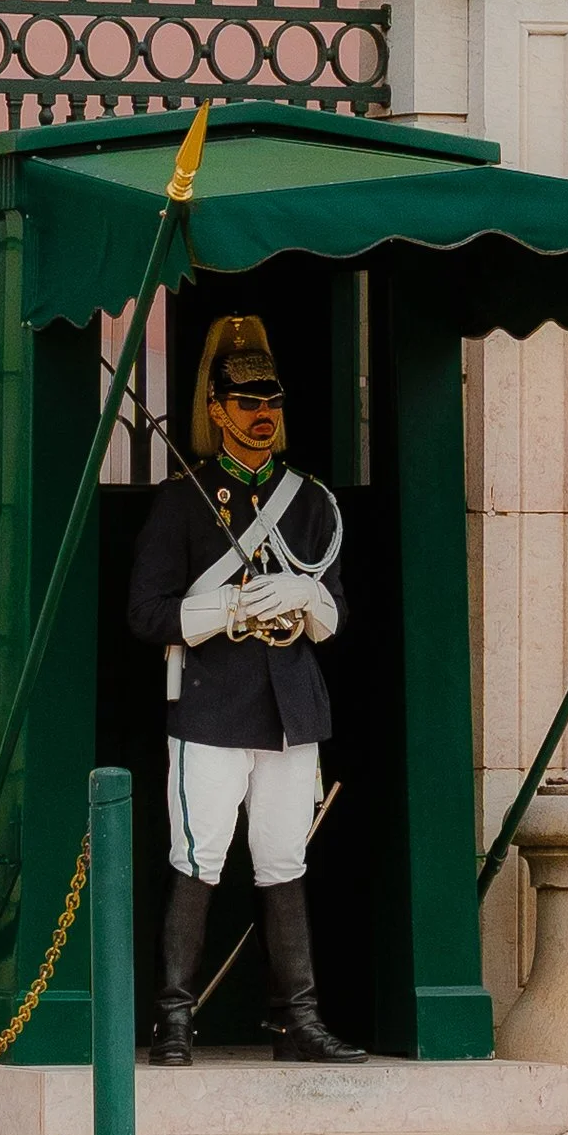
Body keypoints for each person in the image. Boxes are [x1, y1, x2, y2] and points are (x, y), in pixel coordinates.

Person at [126, 314, 365, 1066]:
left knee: (282, 858)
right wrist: (229, 606)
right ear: (219, 409)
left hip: (291, 707)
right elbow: (147, 612)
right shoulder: (185, 499)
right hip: (212, 703)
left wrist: (303, 598)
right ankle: (174, 1018)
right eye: (246, 400)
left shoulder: (311, 500)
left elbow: (336, 611)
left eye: (272, 400)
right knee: (199, 856)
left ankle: (297, 1019)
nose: (263, 415)